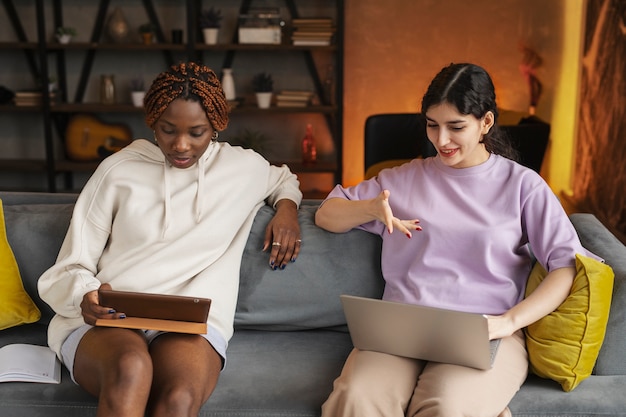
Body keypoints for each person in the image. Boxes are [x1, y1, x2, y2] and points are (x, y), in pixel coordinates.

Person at [315, 63, 600, 417]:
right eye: (432, 125)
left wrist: (510, 322)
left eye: (456, 127)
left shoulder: (523, 185)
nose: (441, 140)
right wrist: (370, 209)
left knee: (449, 408)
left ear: (486, 123)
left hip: (485, 331)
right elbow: (326, 213)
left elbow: (566, 266)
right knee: (356, 399)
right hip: (401, 328)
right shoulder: (403, 178)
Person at [38, 61, 302, 417]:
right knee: (130, 368)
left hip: (189, 324)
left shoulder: (244, 168)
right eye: (167, 130)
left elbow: (283, 179)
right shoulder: (118, 170)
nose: (180, 145)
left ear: (216, 127)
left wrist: (286, 210)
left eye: (197, 132)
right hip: (111, 318)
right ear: (152, 122)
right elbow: (72, 262)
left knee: (178, 399)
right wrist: (84, 295)